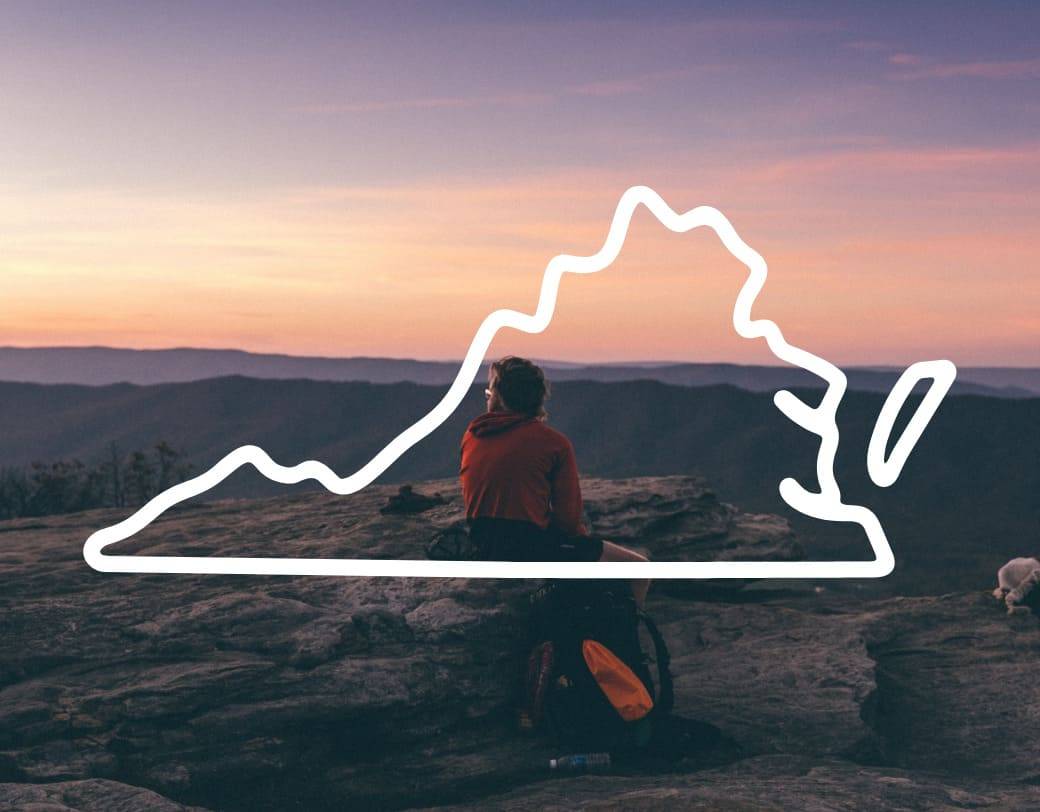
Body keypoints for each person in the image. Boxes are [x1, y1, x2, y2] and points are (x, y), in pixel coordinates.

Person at [459, 355, 651, 609]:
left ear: (500, 399)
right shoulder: (554, 444)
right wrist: (581, 544)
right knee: (639, 569)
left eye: (488, 392)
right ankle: (625, 638)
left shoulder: (473, 435)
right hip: (528, 549)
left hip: (482, 543)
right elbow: (568, 518)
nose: (488, 398)